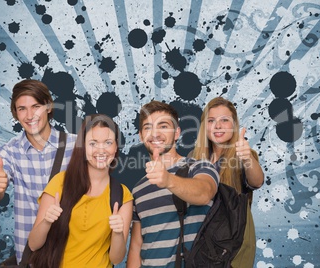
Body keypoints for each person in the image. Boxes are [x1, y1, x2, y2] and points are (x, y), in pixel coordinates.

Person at [0, 79, 77, 265]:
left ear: (48, 107)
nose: (30, 115)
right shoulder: (9, 151)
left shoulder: (76, 146)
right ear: (15, 114)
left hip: (73, 252)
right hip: (31, 257)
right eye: (22, 109)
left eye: (36, 106)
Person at [28, 114, 133, 268]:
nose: (101, 149)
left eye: (108, 142)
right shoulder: (60, 182)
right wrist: (47, 221)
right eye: (93, 143)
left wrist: (117, 234)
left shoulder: (122, 195)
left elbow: (116, 259)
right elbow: (33, 244)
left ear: (116, 147)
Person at [126, 100, 220, 267]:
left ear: (177, 133)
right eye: (148, 127)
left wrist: (168, 180)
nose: (155, 134)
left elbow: (205, 193)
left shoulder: (201, 167)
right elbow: (135, 247)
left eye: (163, 126)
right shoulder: (138, 189)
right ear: (141, 136)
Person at [191, 96, 264, 268]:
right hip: (201, 246)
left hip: (232, 248)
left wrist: (247, 158)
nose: (218, 126)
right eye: (211, 120)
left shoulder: (244, 155)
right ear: (204, 126)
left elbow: (257, 181)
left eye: (224, 120)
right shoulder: (193, 161)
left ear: (234, 125)